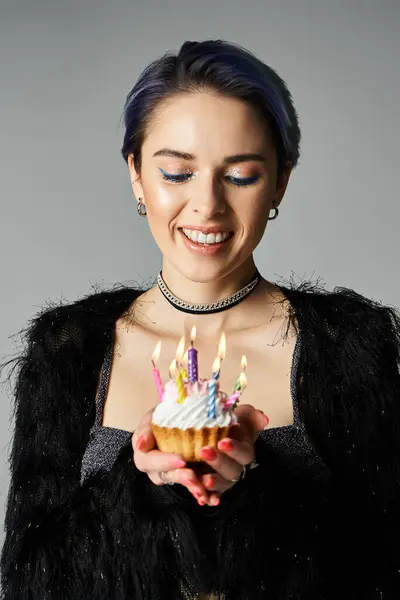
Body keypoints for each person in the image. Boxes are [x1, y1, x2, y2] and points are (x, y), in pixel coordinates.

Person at [1, 39, 399, 600]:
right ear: (137, 174)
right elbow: (28, 582)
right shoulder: (68, 349)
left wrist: (255, 483)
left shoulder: (351, 345)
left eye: (240, 176)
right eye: (176, 173)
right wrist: (140, 486)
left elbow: (385, 573)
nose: (207, 205)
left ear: (281, 180)